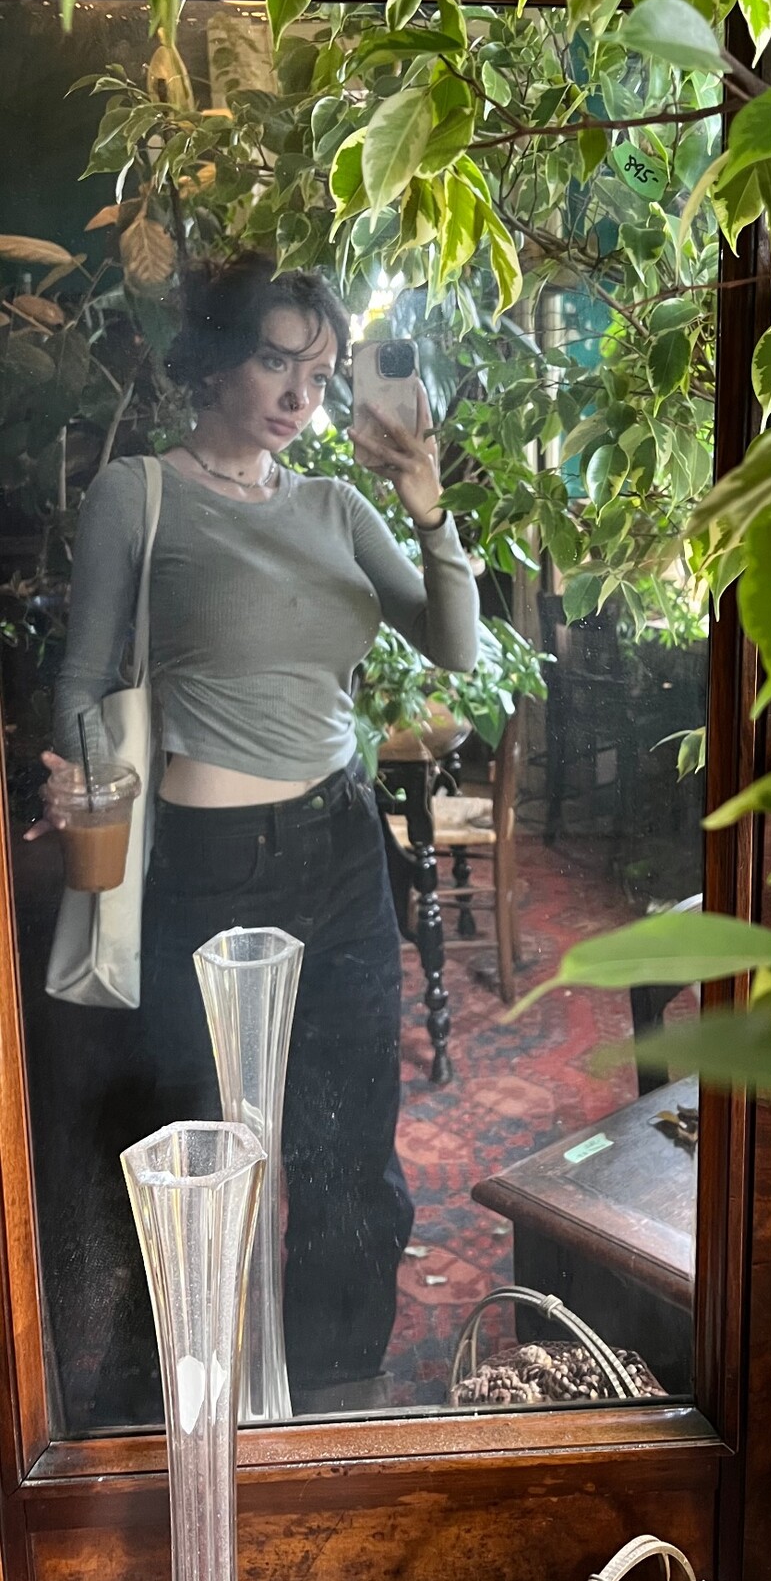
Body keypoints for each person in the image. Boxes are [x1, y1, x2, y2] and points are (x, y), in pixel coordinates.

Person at [31, 253, 480, 1425]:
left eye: (319, 375)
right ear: (219, 359)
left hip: (341, 850)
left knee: (351, 1155)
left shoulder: (335, 507)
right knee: (197, 1153)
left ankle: (333, 1413)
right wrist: (79, 775)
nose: (299, 395)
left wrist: (428, 503)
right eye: (277, 362)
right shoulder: (140, 493)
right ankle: (183, 1416)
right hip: (206, 867)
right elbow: (83, 677)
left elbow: (455, 644)